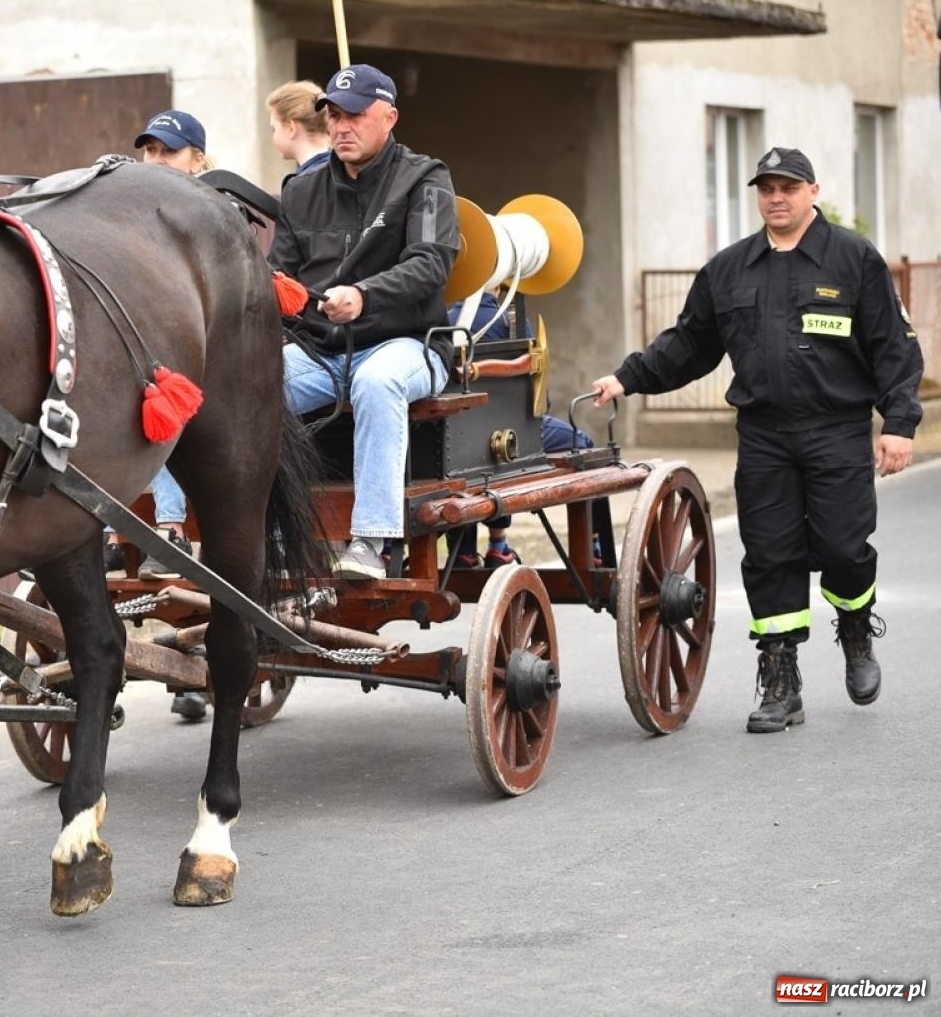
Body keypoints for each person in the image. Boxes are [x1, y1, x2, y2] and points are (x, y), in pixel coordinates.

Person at [591, 147, 923, 734]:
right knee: (770, 556)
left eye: (788, 187)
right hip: (765, 435)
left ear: (812, 192)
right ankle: (780, 679)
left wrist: (898, 424)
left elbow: (894, 348)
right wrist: (628, 377)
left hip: (837, 430)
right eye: (767, 188)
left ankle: (853, 629)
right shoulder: (730, 269)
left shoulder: (853, 261)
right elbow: (689, 344)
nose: (777, 197)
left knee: (845, 549)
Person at [270, 65, 458, 579]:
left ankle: (371, 541)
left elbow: (431, 263)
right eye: (333, 115)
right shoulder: (299, 191)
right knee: (257, 387)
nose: (340, 126)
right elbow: (277, 276)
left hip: (410, 343)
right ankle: (278, 538)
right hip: (321, 350)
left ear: (390, 117)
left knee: (377, 382)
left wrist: (363, 295)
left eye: (354, 115)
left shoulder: (426, 177)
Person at [132, 108, 214, 719]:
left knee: (169, 397)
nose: (157, 164)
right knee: (144, 395)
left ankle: (170, 527)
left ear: (198, 162)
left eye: (170, 153)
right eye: (150, 153)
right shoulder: (126, 221)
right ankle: (157, 529)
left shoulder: (217, 217)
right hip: (159, 370)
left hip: (220, 379)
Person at [446, 291, 602, 569]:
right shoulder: (511, 322)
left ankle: (464, 552)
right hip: (508, 437)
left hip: (455, 440)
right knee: (584, 444)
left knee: (458, 462)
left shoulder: (443, 322)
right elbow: (538, 399)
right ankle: (590, 546)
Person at [265, 80, 329, 180]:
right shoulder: (345, 171)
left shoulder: (303, 184)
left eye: (274, 129)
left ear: (291, 128)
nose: (273, 136)